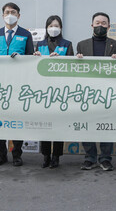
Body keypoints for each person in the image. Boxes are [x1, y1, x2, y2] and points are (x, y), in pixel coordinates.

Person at [76, 12, 116, 171]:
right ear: (92, 25)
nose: (100, 26)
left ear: (109, 26)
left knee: (107, 125)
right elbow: (75, 70)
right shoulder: (81, 45)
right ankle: (90, 158)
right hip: (88, 92)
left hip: (108, 93)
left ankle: (105, 158)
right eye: (97, 23)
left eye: (104, 23)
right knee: (87, 125)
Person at [0, 2, 34, 168]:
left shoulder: (26, 34)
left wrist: (22, 59)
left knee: (16, 121)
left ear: (19, 16)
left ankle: (17, 155)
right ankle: (1, 154)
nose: (10, 14)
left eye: (13, 12)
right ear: (2, 15)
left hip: (18, 85)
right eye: (7, 12)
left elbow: (31, 57)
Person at [33, 15, 73, 169]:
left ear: (61, 28)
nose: (53, 28)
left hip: (61, 91)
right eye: (50, 25)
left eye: (56, 25)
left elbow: (71, 66)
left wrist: (61, 60)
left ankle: (56, 156)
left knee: (58, 125)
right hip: (44, 91)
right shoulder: (40, 44)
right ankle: (46, 156)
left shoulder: (67, 44)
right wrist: (36, 57)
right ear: (46, 27)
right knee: (45, 125)